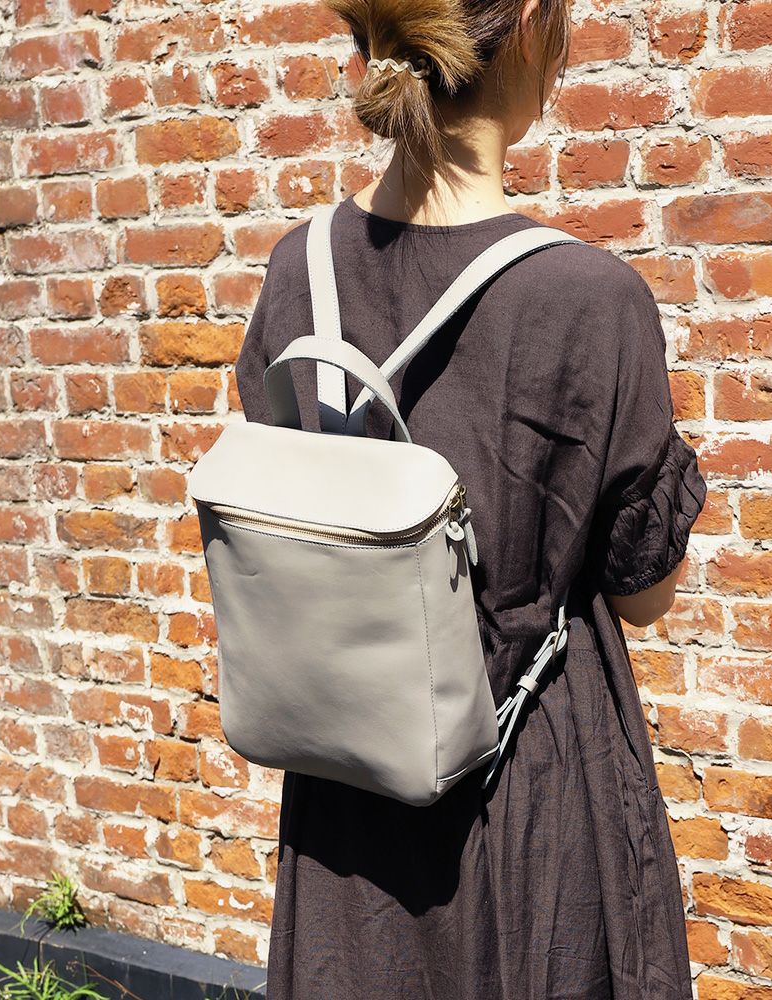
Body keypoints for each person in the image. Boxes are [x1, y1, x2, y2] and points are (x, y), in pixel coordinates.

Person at [233, 0, 708, 996]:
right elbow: (644, 595)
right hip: (524, 806)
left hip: (345, 811)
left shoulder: (296, 271)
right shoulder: (586, 298)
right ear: (530, 23)